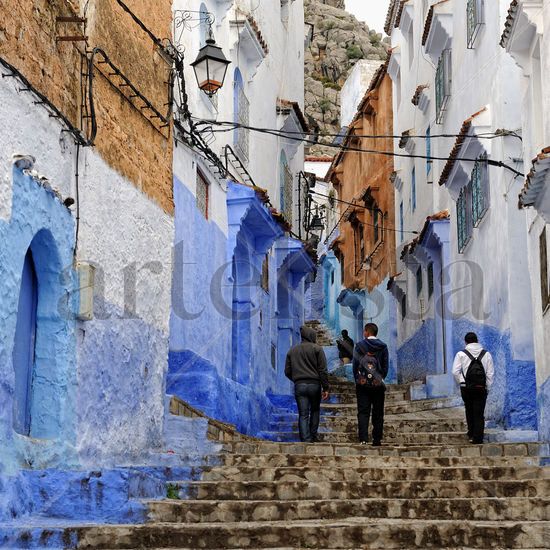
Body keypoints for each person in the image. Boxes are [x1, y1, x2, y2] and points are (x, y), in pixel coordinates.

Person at [285, 326, 330, 443]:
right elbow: (323, 370)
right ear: (311, 336)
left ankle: (305, 439)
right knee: (315, 410)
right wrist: (326, 388)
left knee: (303, 414)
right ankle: (313, 436)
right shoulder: (317, 349)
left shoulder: (292, 350)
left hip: (299, 385)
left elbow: (287, 371)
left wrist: (296, 379)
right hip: (315, 385)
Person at [452, 332, 494, 444]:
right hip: (481, 387)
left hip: (466, 388)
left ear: (465, 342)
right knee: (479, 412)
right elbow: (490, 374)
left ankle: (471, 433)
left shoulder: (461, 354)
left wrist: (462, 382)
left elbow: (455, 372)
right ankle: (478, 438)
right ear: (477, 341)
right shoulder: (487, 354)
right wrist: (487, 387)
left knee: (469, 409)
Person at [352, 323, 389, 446]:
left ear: (367, 332)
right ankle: (376, 439)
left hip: (362, 385)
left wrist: (358, 379)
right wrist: (379, 377)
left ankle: (363, 438)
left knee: (363, 411)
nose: (364, 333)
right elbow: (385, 367)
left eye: (364, 331)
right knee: (378, 412)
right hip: (377, 385)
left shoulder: (359, 346)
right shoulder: (383, 347)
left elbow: (355, 365)